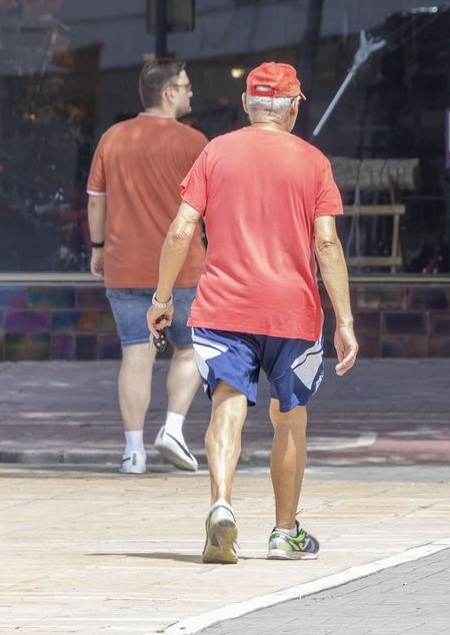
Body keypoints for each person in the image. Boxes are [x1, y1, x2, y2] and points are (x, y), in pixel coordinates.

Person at [147, 62, 358, 564]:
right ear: (294, 107)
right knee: (290, 416)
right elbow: (326, 244)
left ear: (247, 104)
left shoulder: (215, 152)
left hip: (224, 307)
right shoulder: (313, 162)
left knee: (227, 401)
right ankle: (285, 532)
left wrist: (161, 299)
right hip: (294, 311)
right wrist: (345, 321)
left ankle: (221, 505)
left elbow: (180, 232)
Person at [87, 58, 208, 475]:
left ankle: (132, 452)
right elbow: (211, 209)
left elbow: (96, 200)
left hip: (123, 265)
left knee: (135, 353)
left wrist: (98, 247)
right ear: (168, 92)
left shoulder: (112, 138)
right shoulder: (194, 144)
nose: (192, 93)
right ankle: (173, 427)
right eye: (187, 86)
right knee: (191, 348)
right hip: (183, 269)